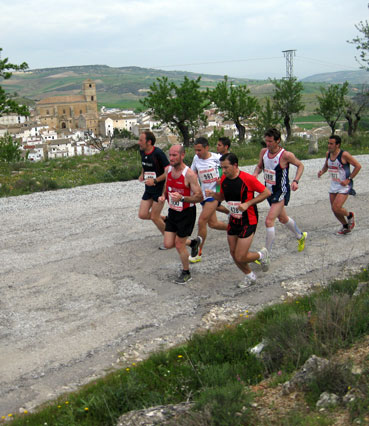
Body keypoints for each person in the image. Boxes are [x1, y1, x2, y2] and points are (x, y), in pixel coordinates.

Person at [205, 153, 271, 288]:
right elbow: (222, 197)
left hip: (249, 220)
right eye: (221, 168)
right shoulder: (223, 179)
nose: (223, 171)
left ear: (235, 165)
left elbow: (266, 193)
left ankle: (261, 255)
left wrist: (248, 203)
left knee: (241, 256)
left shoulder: (247, 179)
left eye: (226, 167)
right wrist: (213, 195)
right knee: (233, 253)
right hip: (234, 219)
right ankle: (250, 276)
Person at [253, 128, 307, 262]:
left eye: (271, 141)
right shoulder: (264, 152)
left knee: (269, 221)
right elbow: (260, 166)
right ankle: (300, 236)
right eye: (266, 141)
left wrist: (295, 181)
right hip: (269, 191)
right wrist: (255, 175)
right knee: (282, 218)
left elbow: (300, 165)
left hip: (281, 191)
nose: (268, 144)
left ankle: (266, 255)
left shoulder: (285, 155)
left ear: (278, 141)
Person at [159, 145, 203, 284]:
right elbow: (167, 186)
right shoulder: (168, 170)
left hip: (186, 213)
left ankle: (186, 272)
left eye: (174, 156)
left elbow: (199, 197)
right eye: (170, 155)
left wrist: (183, 198)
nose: (171, 158)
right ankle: (193, 242)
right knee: (168, 243)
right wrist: (163, 196)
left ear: (182, 155)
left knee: (178, 244)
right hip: (173, 211)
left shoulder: (189, 174)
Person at [189, 137, 228, 263]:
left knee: (202, 221)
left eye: (199, 150)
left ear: (207, 148)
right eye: (195, 150)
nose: (197, 153)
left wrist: (221, 180)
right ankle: (236, 228)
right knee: (213, 224)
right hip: (203, 195)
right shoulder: (196, 159)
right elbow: (192, 174)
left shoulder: (217, 158)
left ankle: (198, 252)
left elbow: (230, 170)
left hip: (215, 194)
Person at [317, 134, 361, 234]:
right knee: (334, 209)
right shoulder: (328, 154)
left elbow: (358, 166)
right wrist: (322, 171)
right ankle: (345, 226)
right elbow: (326, 165)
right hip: (334, 184)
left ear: (338, 145)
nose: (329, 145)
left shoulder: (344, 155)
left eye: (331, 144)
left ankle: (349, 215)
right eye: (328, 143)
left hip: (344, 185)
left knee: (337, 207)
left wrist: (349, 179)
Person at [138, 131, 169, 248]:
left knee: (154, 217)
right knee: (142, 214)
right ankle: (166, 219)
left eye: (141, 140)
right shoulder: (142, 151)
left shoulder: (158, 153)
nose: (138, 143)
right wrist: (142, 174)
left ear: (149, 142)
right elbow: (144, 164)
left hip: (160, 189)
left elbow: (168, 172)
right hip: (148, 189)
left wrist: (155, 180)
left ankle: (169, 240)